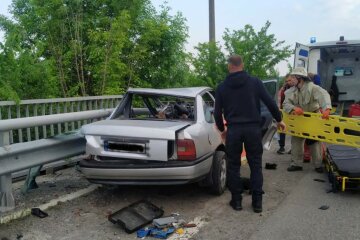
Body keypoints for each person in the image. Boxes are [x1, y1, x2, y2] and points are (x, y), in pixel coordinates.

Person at [214, 54, 286, 213]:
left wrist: (223, 130)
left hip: (233, 130)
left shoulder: (221, 87)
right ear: (242, 64)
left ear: (229, 66)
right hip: (253, 129)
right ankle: (257, 203)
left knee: (233, 166)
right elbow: (270, 102)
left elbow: (217, 112)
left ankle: (237, 201)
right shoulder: (255, 82)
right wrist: (279, 119)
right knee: (255, 165)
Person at [283, 67, 332, 172]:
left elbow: (324, 95)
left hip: (313, 117)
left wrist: (326, 109)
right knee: (296, 141)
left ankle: (318, 165)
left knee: (314, 142)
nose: (291, 79)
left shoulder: (313, 88)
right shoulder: (291, 91)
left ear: (299, 78)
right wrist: (294, 108)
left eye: (293, 77)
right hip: (299, 119)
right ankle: (296, 164)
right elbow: (286, 104)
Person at [277, 74, 298, 154]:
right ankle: (281, 147)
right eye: (287, 81)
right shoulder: (283, 89)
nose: (288, 82)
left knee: (294, 130)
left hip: (294, 112)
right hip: (284, 112)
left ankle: (293, 148)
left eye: (290, 80)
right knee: (281, 129)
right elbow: (279, 101)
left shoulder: (297, 89)